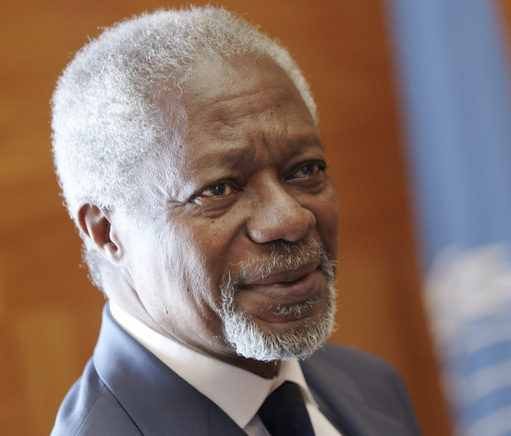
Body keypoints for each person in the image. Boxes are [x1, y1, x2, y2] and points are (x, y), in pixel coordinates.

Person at [50, 6, 420, 435]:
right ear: (107, 233)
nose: (290, 220)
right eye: (218, 190)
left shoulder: (373, 387)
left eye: (306, 169)